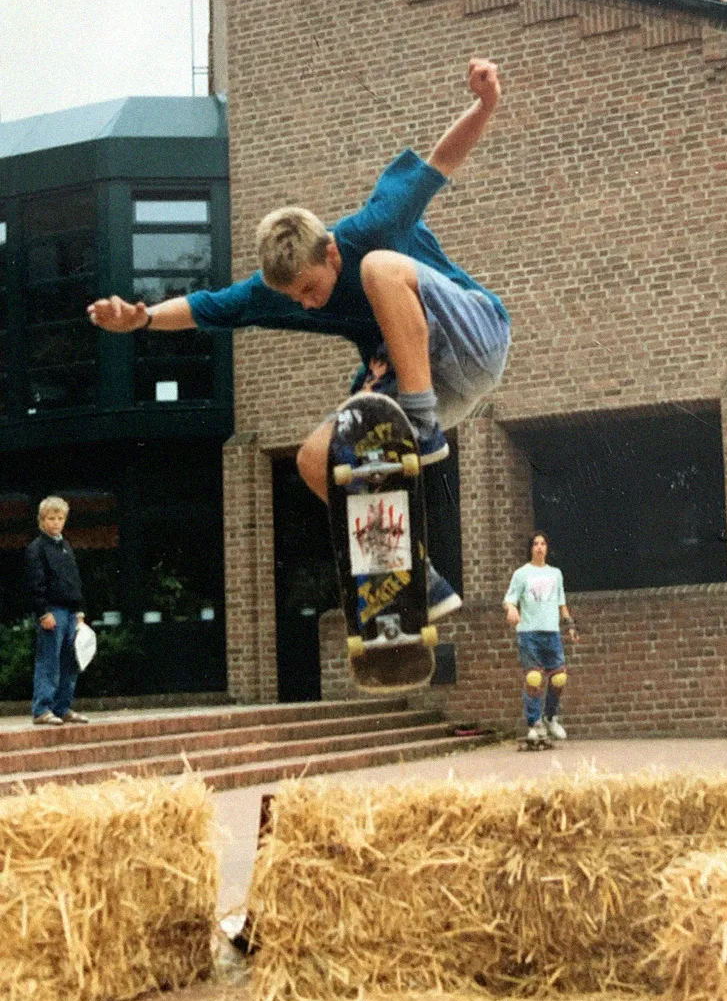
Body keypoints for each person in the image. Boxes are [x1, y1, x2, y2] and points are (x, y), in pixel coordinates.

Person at [87, 57, 510, 622]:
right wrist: (141, 319)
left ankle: (422, 421)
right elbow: (208, 306)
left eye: (310, 288)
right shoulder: (282, 291)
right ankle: (408, 571)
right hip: (426, 377)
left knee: (381, 269)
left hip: (475, 337)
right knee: (317, 458)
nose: (307, 304)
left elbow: (441, 161)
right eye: (295, 298)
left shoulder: (371, 228)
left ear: (330, 251)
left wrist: (485, 104)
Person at [503, 531, 578, 745]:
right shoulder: (522, 574)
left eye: (543, 543)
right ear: (530, 548)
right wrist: (511, 609)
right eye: (535, 544)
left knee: (559, 678)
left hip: (551, 631)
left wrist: (570, 625)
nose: (539, 547)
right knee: (534, 678)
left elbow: (561, 603)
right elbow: (509, 599)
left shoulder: (555, 574)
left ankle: (550, 716)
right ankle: (534, 722)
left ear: (547, 548)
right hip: (529, 632)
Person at [25, 496, 89, 725]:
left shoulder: (66, 546)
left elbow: (75, 579)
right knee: (49, 662)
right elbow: (35, 584)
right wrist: (43, 612)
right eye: (51, 518)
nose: (56, 523)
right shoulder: (37, 548)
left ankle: (62, 707)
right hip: (52, 611)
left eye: (60, 518)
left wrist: (79, 610)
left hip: (71, 612)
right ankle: (42, 709)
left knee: (71, 662)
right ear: (42, 520)